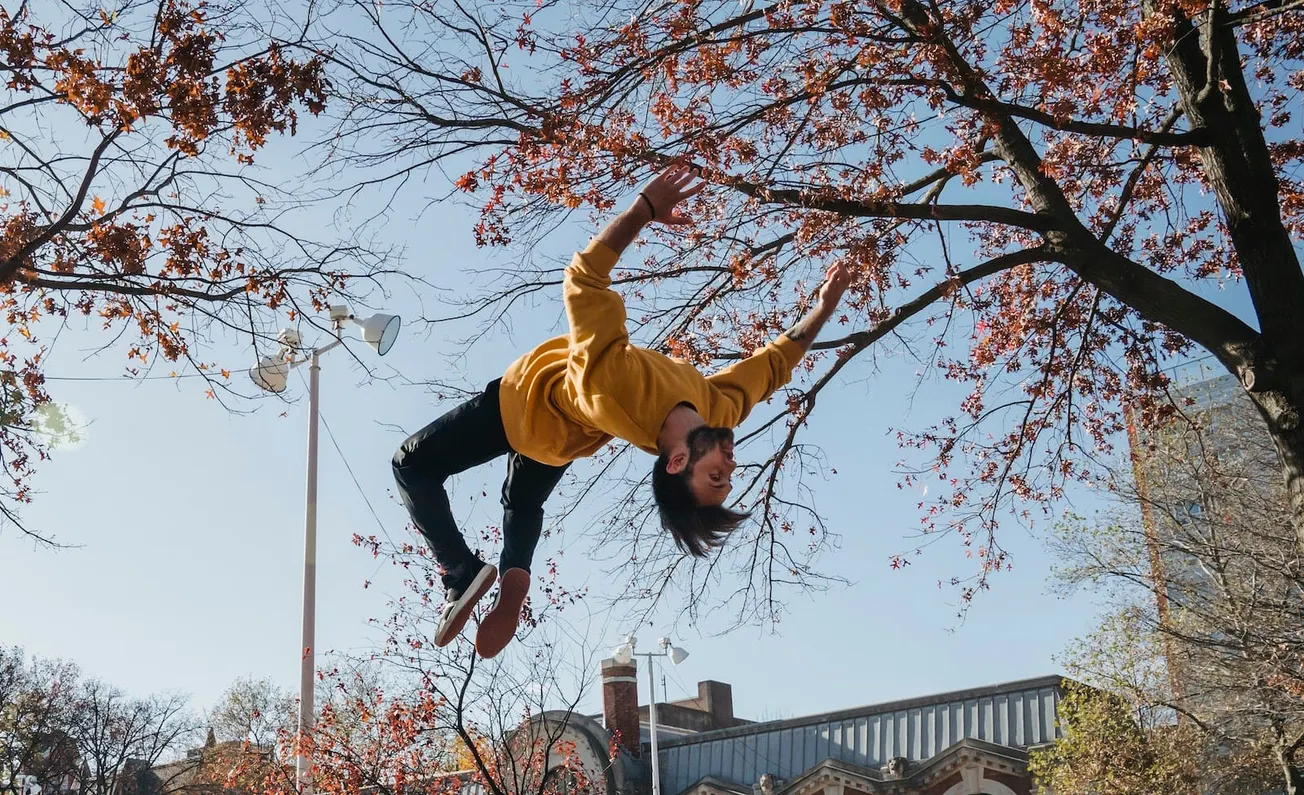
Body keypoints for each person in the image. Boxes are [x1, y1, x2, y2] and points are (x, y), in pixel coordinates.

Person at [391, 163, 851, 659]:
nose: (731, 467)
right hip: (563, 442)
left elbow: (584, 280)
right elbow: (775, 365)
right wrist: (823, 308)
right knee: (522, 504)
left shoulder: (613, 383)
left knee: (410, 464)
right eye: (729, 476)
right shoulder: (720, 407)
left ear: (677, 462)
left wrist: (642, 211)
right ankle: (515, 573)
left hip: (521, 404)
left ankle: (460, 571)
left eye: (716, 477)